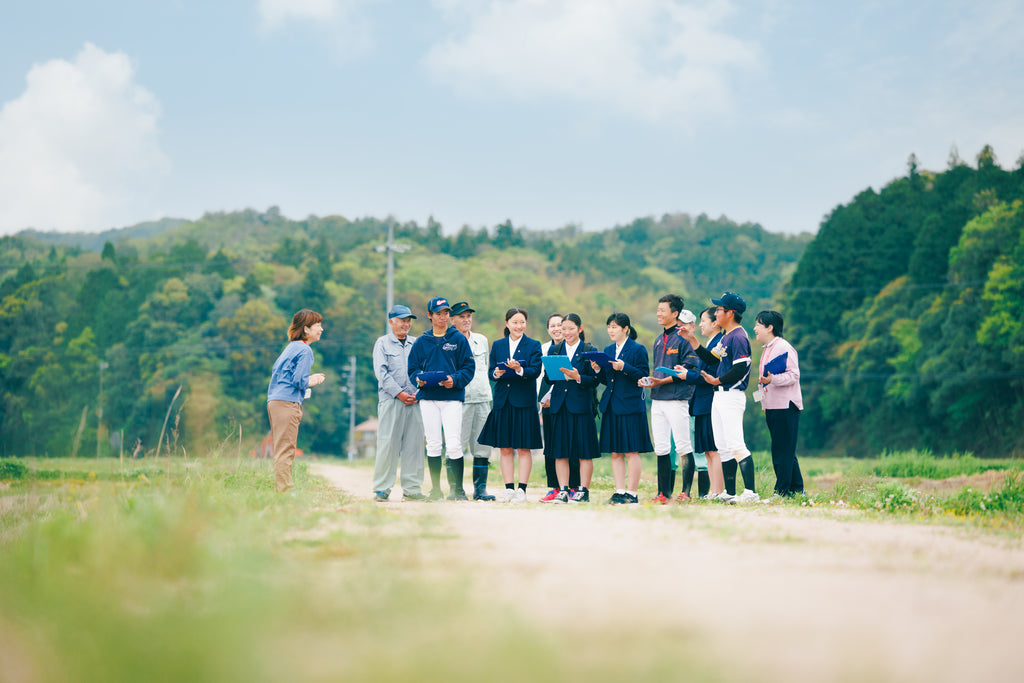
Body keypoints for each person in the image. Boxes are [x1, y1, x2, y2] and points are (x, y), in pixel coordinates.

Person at [688, 292, 758, 503]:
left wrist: (717, 381)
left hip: (732, 395)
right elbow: (711, 357)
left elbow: (740, 369)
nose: (716, 312)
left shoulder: (738, 336)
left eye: (719, 309)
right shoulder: (727, 336)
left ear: (730, 313)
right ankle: (729, 492)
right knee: (723, 446)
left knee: (736, 444)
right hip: (719, 396)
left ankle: (750, 492)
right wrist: (691, 339)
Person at [407, 296, 476, 501]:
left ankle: (458, 490)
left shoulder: (458, 339)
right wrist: (418, 380)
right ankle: (435, 490)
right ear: (430, 315)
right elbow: (412, 369)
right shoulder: (421, 341)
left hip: (452, 397)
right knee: (434, 443)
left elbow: (469, 368)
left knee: (454, 443)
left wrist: (454, 380)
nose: (443, 317)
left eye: (446, 313)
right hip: (428, 397)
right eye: (438, 314)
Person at [478, 307, 543, 503]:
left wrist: (520, 369)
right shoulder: (498, 345)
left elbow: (536, 371)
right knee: (504, 447)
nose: (519, 326)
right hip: (503, 400)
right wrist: (497, 373)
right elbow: (490, 371)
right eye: (515, 322)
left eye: (522, 322)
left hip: (524, 401)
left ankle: (521, 490)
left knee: (523, 447)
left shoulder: (533, 345)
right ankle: (508, 488)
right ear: (507, 324)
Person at [591, 313, 652, 504]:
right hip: (611, 405)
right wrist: (598, 370)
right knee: (615, 451)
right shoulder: (608, 349)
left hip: (630, 405)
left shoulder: (637, 349)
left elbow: (643, 375)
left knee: (631, 450)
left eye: (615, 327)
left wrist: (624, 367)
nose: (611, 330)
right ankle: (619, 490)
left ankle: (632, 493)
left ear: (626, 328)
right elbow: (606, 380)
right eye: (609, 326)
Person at [643, 295, 699, 504]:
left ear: (675, 314)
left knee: (683, 446)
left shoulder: (684, 338)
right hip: (657, 399)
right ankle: (663, 494)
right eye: (657, 310)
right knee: (661, 447)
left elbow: (689, 370)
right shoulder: (659, 339)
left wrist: (661, 381)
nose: (658, 313)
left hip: (677, 399)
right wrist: (651, 381)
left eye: (662, 310)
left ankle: (685, 493)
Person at [542, 313, 600, 503]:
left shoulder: (589, 350)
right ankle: (563, 490)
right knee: (560, 451)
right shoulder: (555, 349)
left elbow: (596, 380)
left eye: (570, 328)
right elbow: (548, 379)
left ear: (580, 329)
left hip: (581, 406)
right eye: (563, 328)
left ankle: (583, 490)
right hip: (560, 405)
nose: (565, 332)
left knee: (584, 451)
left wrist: (577, 377)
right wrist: (552, 370)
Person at [266, 309, 326, 493]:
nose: (321, 329)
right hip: (287, 403)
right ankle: (285, 491)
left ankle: (283, 489)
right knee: (286, 449)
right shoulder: (305, 350)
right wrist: (313, 380)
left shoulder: (291, 347)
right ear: (306, 329)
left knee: (281, 448)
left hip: (275, 401)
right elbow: (298, 381)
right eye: (318, 326)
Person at [371, 304, 425, 502]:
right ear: (391, 322)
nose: (406, 324)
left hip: (416, 401)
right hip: (392, 400)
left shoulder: (417, 343)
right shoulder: (382, 343)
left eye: (409, 320)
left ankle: (412, 489)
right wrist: (400, 393)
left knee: (415, 445)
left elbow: (424, 369)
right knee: (388, 444)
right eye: (402, 320)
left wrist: (420, 392)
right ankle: (382, 488)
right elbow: (381, 373)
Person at [676, 307, 726, 500]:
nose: (701, 324)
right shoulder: (710, 343)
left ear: (715, 323)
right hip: (702, 401)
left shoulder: (719, 344)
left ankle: (718, 491)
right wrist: (687, 372)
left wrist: (688, 375)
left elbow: (710, 374)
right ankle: (714, 491)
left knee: (714, 449)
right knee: (707, 450)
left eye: (704, 320)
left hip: (710, 400)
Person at [753, 310, 805, 497]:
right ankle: (797, 490)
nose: (755, 329)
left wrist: (772, 378)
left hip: (786, 405)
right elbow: (763, 381)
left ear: (770, 327)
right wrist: (763, 405)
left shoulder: (784, 347)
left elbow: (794, 375)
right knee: (785, 449)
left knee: (782, 450)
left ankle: (781, 492)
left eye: (758, 324)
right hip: (772, 406)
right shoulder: (767, 349)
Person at [450, 300, 496, 501]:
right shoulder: (448, 342)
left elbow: (484, 367)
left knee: (483, 447)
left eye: (469, 316)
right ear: (452, 320)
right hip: (460, 400)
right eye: (461, 316)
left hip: (483, 398)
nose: (466, 320)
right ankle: (456, 490)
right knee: (456, 445)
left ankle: (480, 489)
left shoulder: (481, 340)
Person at [538, 313, 580, 502]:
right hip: (547, 403)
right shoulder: (545, 349)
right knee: (552, 446)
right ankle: (554, 486)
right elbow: (543, 378)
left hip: (568, 402)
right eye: (553, 326)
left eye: (559, 325)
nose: (557, 329)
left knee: (572, 445)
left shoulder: (575, 347)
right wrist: (542, 400)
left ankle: (573, 486)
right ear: (548, 329)